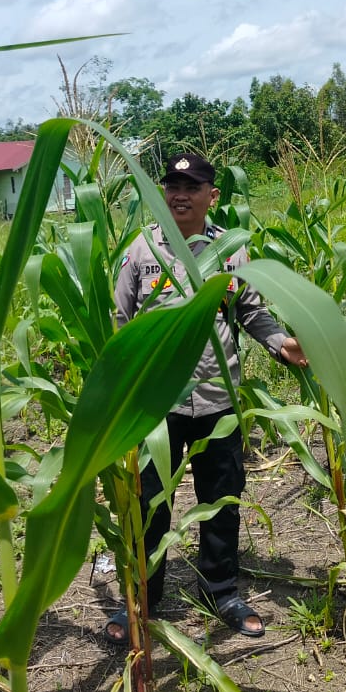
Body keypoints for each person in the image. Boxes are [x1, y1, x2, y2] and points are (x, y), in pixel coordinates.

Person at [105, 152, 308, 644]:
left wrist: (283, 344)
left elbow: (251, 312)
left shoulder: (231, 251)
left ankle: (223, 592)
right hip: (157, 408)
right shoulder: (141, 250)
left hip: (218, 401)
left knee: (221, 503)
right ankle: (143, 599)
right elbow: (118, 324)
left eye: (192, 186)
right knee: (149, 505)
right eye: (173, 184)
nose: (180, 193)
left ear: (211, 196)